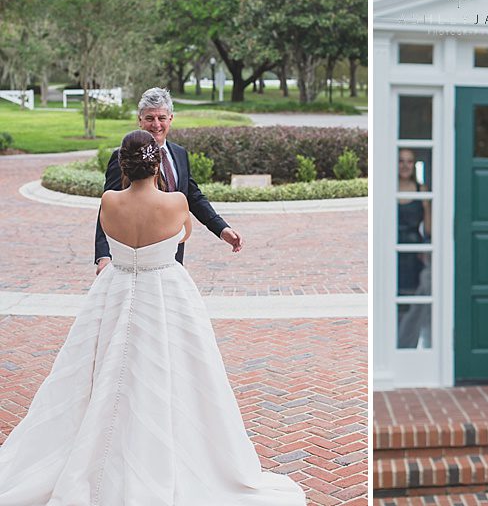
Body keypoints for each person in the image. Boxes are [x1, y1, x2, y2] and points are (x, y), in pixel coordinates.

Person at [0, 130, 305, 505]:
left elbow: (112, 234)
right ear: (156, 163)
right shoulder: (176, 202)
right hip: (165, 293)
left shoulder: (109, 200)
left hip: (113, 293)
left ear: (122, 164)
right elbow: (182, 234)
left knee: (102, 373)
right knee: (173, 373)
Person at [95, 87, 242, 274]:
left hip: (171, 257)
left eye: (161, 118)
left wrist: (221, 229)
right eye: (149, 118)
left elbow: (194, 197)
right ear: (140, 120)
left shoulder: (179, 154)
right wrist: (103, 255)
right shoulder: (123, 157)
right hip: (137, 256)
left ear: (170, 119)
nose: (156, 124)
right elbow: (108, 209)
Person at [396, 148, 432, 348]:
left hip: (412, 250)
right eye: (401, 161)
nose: (405, 165)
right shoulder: (387, 187)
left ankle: (405, 345)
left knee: (410, 302)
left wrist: (427, 207)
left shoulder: (422, 190)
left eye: (409, 161)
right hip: (392, 248)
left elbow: (428, 229)